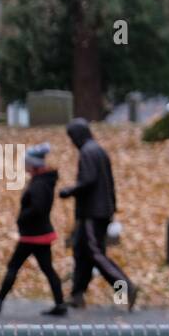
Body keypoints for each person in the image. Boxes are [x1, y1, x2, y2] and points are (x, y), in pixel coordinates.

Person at [0, 142, 69, 316]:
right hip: (39, 233)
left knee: (14, 266)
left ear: (33, 164)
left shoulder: (39, 184)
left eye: (26, 163)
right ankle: (60, 304)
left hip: (33, 235)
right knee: (47, 269)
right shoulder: (42, 180)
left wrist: (22, 218)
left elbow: (38, 208)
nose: (24, 166)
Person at [59, 118, 140, 310]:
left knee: (95, 254)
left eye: (72, 137)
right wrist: (112, 207)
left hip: (92, 213)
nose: (72, 142)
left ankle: (125, 288)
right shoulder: (98, 150)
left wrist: (69, 191)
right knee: (82, 252)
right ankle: (77, 296)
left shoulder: (88, 152)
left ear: (79, 135)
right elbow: (109, 183)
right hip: (101, 211)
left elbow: (88, 180)